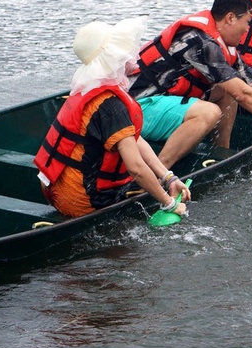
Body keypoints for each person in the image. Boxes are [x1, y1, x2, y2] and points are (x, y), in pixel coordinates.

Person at [128, 0, 252, 169]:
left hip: (160, 103)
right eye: (246, 23)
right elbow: (245, 95)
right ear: (230, 18)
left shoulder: (224, 45)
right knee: (209, 112)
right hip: (136, 111)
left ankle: (221, 154)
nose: (246, 31)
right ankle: (160, 173)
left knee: (227, 90)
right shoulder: (201, 42)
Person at [33, 18, 192, 218]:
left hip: (55, 189)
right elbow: (136, 167)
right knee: (143, 186)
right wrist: (168, 203)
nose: (130, 55)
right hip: (81, 200)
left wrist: (168, 177)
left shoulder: (88, 87)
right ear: (112, 57)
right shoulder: (111, 106)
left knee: (148, 181)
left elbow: (134, 139)